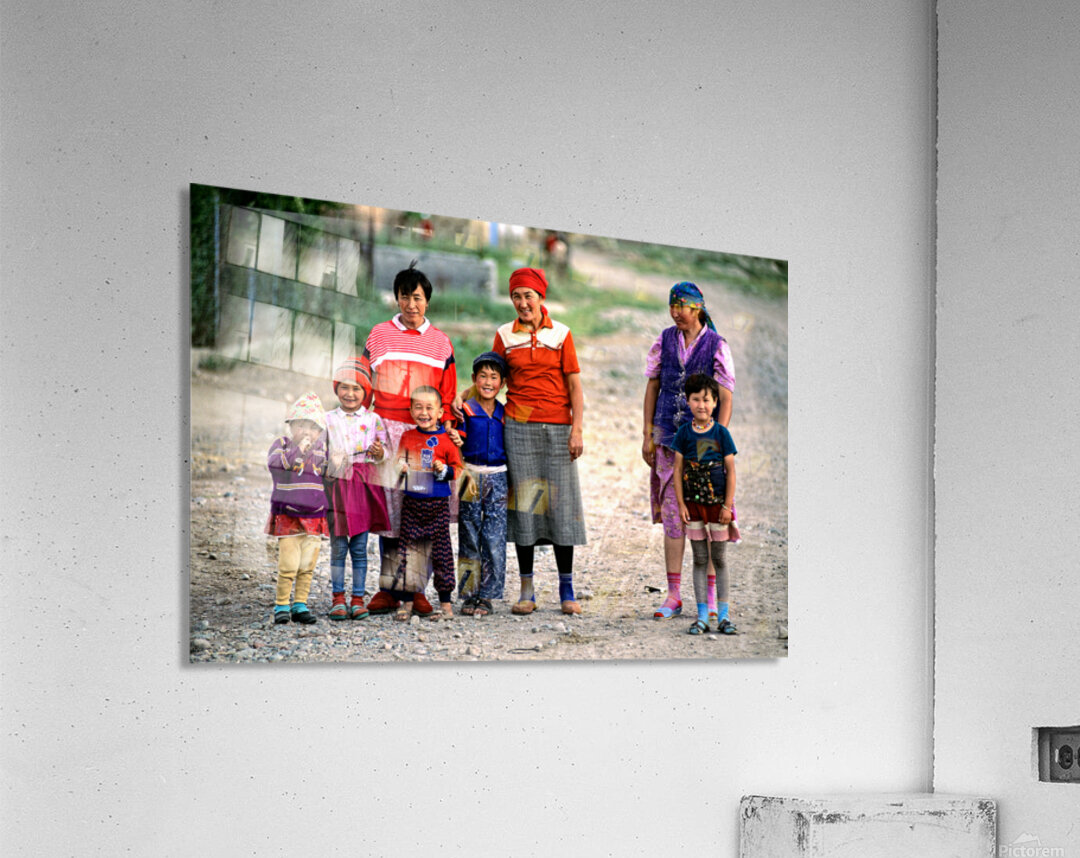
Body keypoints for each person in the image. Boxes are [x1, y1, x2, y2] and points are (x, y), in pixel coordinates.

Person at [456, 267, 586, 615]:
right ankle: (527, 589)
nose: (522, 302)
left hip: (558, 429)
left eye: (528, 295)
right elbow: (492, 377)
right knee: (525, 507)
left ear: (541, 297)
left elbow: (574, 386)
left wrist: (577, 429)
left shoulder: (561, 334)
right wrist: (463, 396)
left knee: (561, 507)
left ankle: (567, 588)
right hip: (518, 427)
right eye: (516, 296)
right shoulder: (504, 335)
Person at [360, 263, 458, 616]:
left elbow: (448, 393)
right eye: (405, 296)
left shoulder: (440, 343)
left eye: (417, 297)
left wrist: (446, 433)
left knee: (421, 510)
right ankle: (389, 588)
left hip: (423, 439)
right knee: (390, 513)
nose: (411, 304)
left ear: (427, 301)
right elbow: (363, 383)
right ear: (397, 298)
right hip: (387, 434)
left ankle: (416, 589)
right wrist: (362, 428)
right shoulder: (379, 335)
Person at [642, 281, 737, 619]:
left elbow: (725, 396)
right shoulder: (665, 340)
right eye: (672, 306)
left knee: (706, 517)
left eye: (681, 306)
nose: (675, 313)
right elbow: (653, 386)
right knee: (673, 516)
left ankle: (708, 597)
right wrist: (648, 433)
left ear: (697, 308)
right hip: (669, 441)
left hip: (705, 448)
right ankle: (673, 595)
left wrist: (716, 441)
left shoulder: (717, 345)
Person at [671, 374, 739, 635]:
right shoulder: (683, 434)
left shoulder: (722, 433)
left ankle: (723, 616)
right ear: (688, 402)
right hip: (693, 507)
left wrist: (727, 506)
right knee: (700, 558)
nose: (701, 405)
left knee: (719, 558)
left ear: (715, 403)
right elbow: (678, 471)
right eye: (696, 399)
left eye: (707, 400)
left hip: (717, 508)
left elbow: (730, 472)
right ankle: (702, 617)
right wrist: (681, 505)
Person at [323, 358, 390, 621]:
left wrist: (379, 452)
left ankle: (358, 598)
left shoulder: (373, 419)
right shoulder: (328, 419)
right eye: (344, 387)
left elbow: (384, 453)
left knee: (360, 547)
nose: (350, 394)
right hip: (337, 486)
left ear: (366, 392)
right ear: (336, 389)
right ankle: (338, 598)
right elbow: (319, 454)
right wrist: (330, 461)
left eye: (357, 388)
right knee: (338, 546)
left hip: (362, 485)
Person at [388, 387, 463, 622]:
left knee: (442, 554)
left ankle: (446, 605)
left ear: (440, 412)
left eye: (430, 408)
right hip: (412, 504)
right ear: (411, 411)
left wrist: (445, 470)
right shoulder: (408, 437)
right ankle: (407, 602)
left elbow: (457, 469)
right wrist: (400, 466)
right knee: (407, 553)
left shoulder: (447, 439)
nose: (424, 412)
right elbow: (398, 461)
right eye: (418, 407)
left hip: (438, 506)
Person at [449, 351, 509, 617]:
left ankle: (487, 595)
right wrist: (455, 436)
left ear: (502, 383)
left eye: (494, 377)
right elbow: (455, 436)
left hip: (498, 476)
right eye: (483, 376)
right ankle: (469, 593)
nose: (488, 382)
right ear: (474, 379)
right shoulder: (465, 410)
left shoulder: (505, 412)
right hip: (470, 476)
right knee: (469, 534)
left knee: (494, 537)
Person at [264, 392, 330, 625]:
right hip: (288, 514)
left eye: (313, 427)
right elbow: (276, 466)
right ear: (291, 426)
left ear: (320, 432)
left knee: (307, 564)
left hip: (315, 515)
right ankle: (282, 604)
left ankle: (300, 604)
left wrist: (337, 463)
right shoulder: (281, 445)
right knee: (288, 563)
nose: (306, 432)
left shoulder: (321, 449)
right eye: (301, 425)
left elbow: (330, 476)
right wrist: (298, 450)